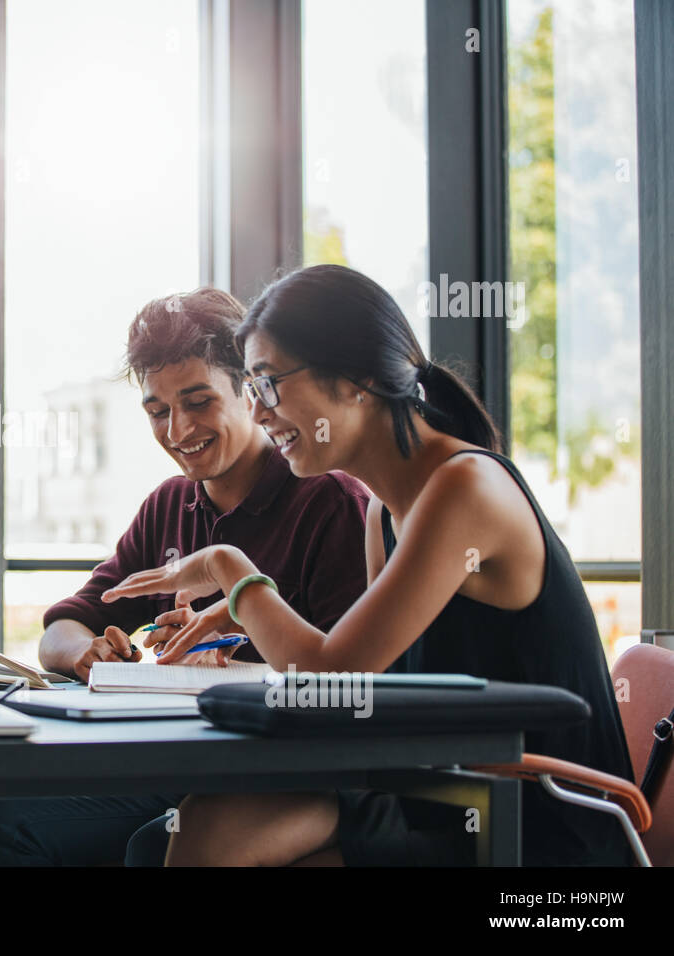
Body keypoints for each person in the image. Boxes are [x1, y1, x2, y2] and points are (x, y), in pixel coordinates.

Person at [102, 264, 635, 866]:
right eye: (251, 389)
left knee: (207, 835)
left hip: (538, 825)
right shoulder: (384, 509)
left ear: (357, 379)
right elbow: (363, 689)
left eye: (269, 384)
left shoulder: (464, 488)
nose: (258, 412)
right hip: (445, 793)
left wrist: (232, 571)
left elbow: (331, 674)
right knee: (186, 831)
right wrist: (242, 615)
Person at [0, 286, 371, 866]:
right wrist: (87, 653)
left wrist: (234, 667)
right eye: (157, 411)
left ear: (250, 392)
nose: (177, 431)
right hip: (185, 769)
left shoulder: (329, 501)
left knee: (153, 847)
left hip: (290, 778)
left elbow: (349, 685)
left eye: (198, 402)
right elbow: (62, 626)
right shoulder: (169, 505)